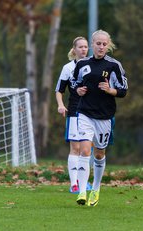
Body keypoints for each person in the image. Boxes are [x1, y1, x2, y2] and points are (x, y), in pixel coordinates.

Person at [72, 29, 128, 207]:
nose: (101, 47)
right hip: (85, 113)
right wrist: (78, 90)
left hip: (104, 116)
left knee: (99, 153)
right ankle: (82, 192)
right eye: (98, 43)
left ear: (108, 45)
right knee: (84, 150)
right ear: (92, 44)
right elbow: (75, 83)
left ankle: (95, 188)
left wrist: (110, 90)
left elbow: (123, 90)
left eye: (104, 44)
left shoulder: (114, 66)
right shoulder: (82, 64)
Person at [55, 36, 92, 194]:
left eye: (85, 46)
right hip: (75, 111)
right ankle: (74, 183)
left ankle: (83, 180)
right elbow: (59, 90)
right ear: (74, 49)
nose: (84, 49)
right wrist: (61, 105)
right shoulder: (68, 68)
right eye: (81, 47)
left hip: (91, 111)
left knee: (86, 149)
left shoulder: (93, 65)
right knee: (75, 147)